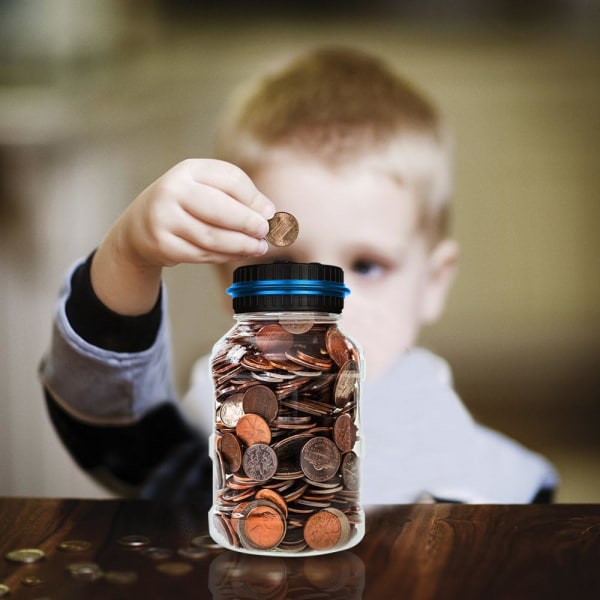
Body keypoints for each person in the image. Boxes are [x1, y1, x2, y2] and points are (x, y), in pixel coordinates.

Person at [40, 46, 557, 508]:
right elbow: (110, 437)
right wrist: (128, 257)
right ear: (231, 277)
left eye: (369, 266)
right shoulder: (217, 413)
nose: (323, 304)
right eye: (285, 270)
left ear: (434, 282)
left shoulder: (463, 452)